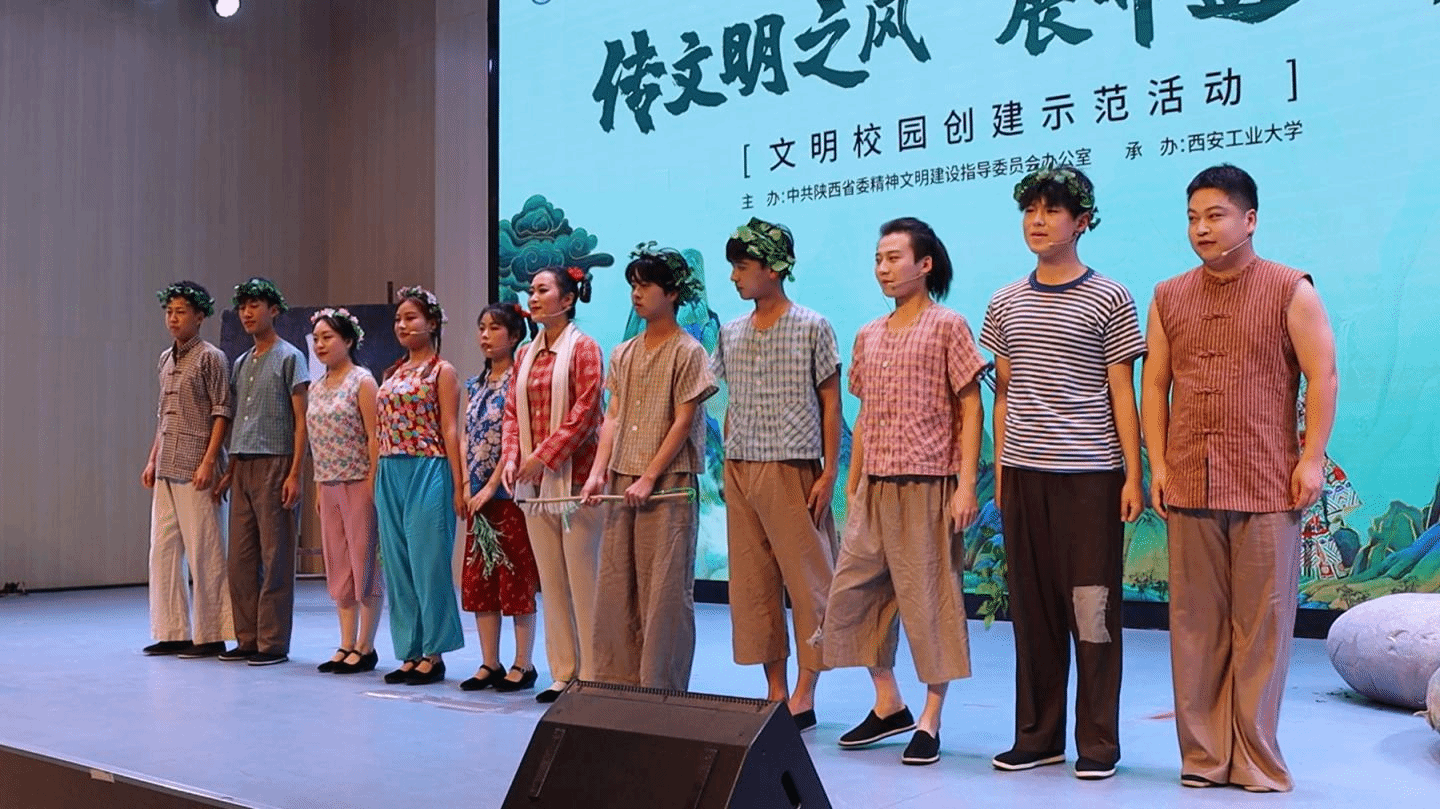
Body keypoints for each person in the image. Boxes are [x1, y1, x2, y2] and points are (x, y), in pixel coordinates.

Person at [1141, 164, 1337, 793]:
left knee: (1263, 626)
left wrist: (1311, 459)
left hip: (1266, 480)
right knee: (1194, 624)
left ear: (1249, 220)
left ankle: (1255, 760)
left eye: (1215, 215)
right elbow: (1155, 385)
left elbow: (1323, 375)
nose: (1202, 228)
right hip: (1190, 479)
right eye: (1193, 218)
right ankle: (1202, 758)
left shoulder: (1290, 288)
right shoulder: (1168, 295)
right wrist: (1158, 465)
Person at [980, 167, 1146, 780]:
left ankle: (1098, 743)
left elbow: (1122, 391)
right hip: (1024, 473)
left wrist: (1132, 475)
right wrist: (1002, 470)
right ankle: (1038, 736)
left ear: (1081, 222)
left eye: (1052, 211)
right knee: (1032, 609)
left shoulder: (1111, 297)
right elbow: (1004, 394)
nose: (1038, 221)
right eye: (1030, 210)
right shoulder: (1004, 301)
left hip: (1090, 476)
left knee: (1092, 609)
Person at [822, 217, 986, 766]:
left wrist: (966, 486)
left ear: (925, 264)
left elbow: (970, 406)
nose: (883, 268)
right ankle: (888, 702)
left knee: (929, 602)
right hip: (874, 486)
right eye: (878, 259)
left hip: (928, 483)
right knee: (853, 595)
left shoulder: (948, 325)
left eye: (894, 258)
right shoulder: (868, 334)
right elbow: (866, 413)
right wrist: (853, 483)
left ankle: (930, 719)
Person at [712, 218, 840, 729]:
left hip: (792, 465)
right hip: (741, 465)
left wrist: (829, 472)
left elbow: (831, 402)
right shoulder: (730, 332)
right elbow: (728, 401)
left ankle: (805, 696)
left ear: (773, 268)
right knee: (753, 584)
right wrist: (728, 461)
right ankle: (775, 692)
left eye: (742, 266)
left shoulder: (812, 325)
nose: (735, 277)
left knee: (809, 584)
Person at [581, 244, 717, 691]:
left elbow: (684, 420)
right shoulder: (623, 352)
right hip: (623, 477)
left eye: (646, 286)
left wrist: (649, 476)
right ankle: (616, 684)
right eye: (633, 287)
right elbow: (613, 416)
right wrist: (598, 472)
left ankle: (660, 687)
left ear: (672, 293)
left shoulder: (689, 351)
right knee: (616, 585)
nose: (636, 294)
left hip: (669, 483)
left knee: (664, 591)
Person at [501, 266, 605, 703]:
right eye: (531, 290)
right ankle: (564, 672)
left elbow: (586, 411)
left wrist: (542, 457)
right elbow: (511, 412)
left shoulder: (584, 347)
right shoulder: (525, 354)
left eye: (542, 290)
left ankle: (594, 674)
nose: (533, 296)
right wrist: (512, 457)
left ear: (567, 300)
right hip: (534, 486)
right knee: (552, 582)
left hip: (576, 481)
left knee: (584, 580)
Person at [374, 286, 467, 685]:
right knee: (397, 565)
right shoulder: (392, 373)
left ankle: (434, 652)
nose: (402, 325)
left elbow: (451, 428)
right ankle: (410, 651)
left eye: (411, 317)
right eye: (398, 319)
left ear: (431, 323)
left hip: (428, 466)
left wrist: (459, 485)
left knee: (428, 561)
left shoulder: (441, 371)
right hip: (390, 469)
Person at [142, 281, 235, 659]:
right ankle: (172, 631)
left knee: (205, 550)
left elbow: (222, 411)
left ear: (200, 316)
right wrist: (152, 459)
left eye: (181, 311)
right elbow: (163, 416)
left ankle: (211, 634)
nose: (173, 318)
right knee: (163, 550)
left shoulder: (211, 357)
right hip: (168, 464)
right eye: (169, 311)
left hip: (198, 464)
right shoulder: (165, 359)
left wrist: (210, 461)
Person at [217, 277, 307, 666]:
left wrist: (295, 472)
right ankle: (247, 638)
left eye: (255, 306)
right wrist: (229, 468)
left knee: (276, 557)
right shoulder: (241, 362)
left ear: (274, 310)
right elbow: (240, 420)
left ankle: (272, 642)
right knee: (239, 559)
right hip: (243, 464)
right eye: (243, 307)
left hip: (276, 461)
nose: (247, 313)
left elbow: (301, 421)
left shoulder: (290, 357)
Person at [460, 303, 542, 693]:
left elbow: (516, 441)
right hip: (477, 496)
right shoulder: (475, 385)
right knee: (481, 579)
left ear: (514, 336)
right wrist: (466, 486)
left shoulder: (518, 382)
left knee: (516, 578)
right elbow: (466, 435)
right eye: (482, 327)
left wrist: (491, 486)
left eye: (494, 328)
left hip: (509, 494)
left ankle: (523, 663)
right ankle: (489, 662)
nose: (485, 335)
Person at [305, 308, 383, 675]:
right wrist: (318, 486)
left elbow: (374, 435)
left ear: (348, 341)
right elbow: (316, 442)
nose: (320, 345)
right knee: (337, 564)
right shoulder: (316, 387)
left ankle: (366, 645)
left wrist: (371, 482)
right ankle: (346, 642)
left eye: (328, 337)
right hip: (328, 482)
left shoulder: (362, 381)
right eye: (317, 339)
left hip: (357, 481)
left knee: (363, 562)